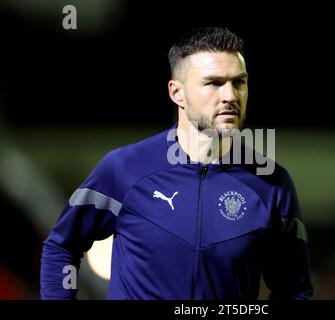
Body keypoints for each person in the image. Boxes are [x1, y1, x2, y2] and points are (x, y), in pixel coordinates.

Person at [40, 27, 313, 300]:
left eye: (238, 82)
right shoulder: (123, 169)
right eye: (214, 83)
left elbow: (294, 290)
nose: (230, 95)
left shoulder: (272, 183)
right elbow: (61, 248)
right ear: (176, 93)